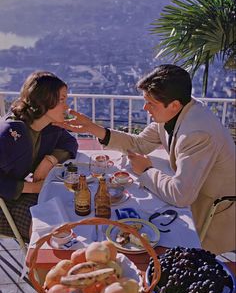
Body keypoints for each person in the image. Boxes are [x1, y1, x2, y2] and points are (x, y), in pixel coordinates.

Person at [54, 64, 235, 254]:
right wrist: (93, 128)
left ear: (174, 105)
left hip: (215, 210)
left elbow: (181, 196)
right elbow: (140, 144)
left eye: (151, 103)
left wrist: (146, 171)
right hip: (195, 191)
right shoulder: (178, 108)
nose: (145, 107)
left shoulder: (197, 132)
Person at [0, 71, 78, 242]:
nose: (67, 106)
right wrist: (34, 188)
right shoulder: (10, 134)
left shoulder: (49, 126)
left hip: (19, 192)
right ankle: (38, 266)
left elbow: (70, 143)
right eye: (62, 100)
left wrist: (49, 160)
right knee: (49, 232)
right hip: (3, 204)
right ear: (44, 100)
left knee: (67, 208)